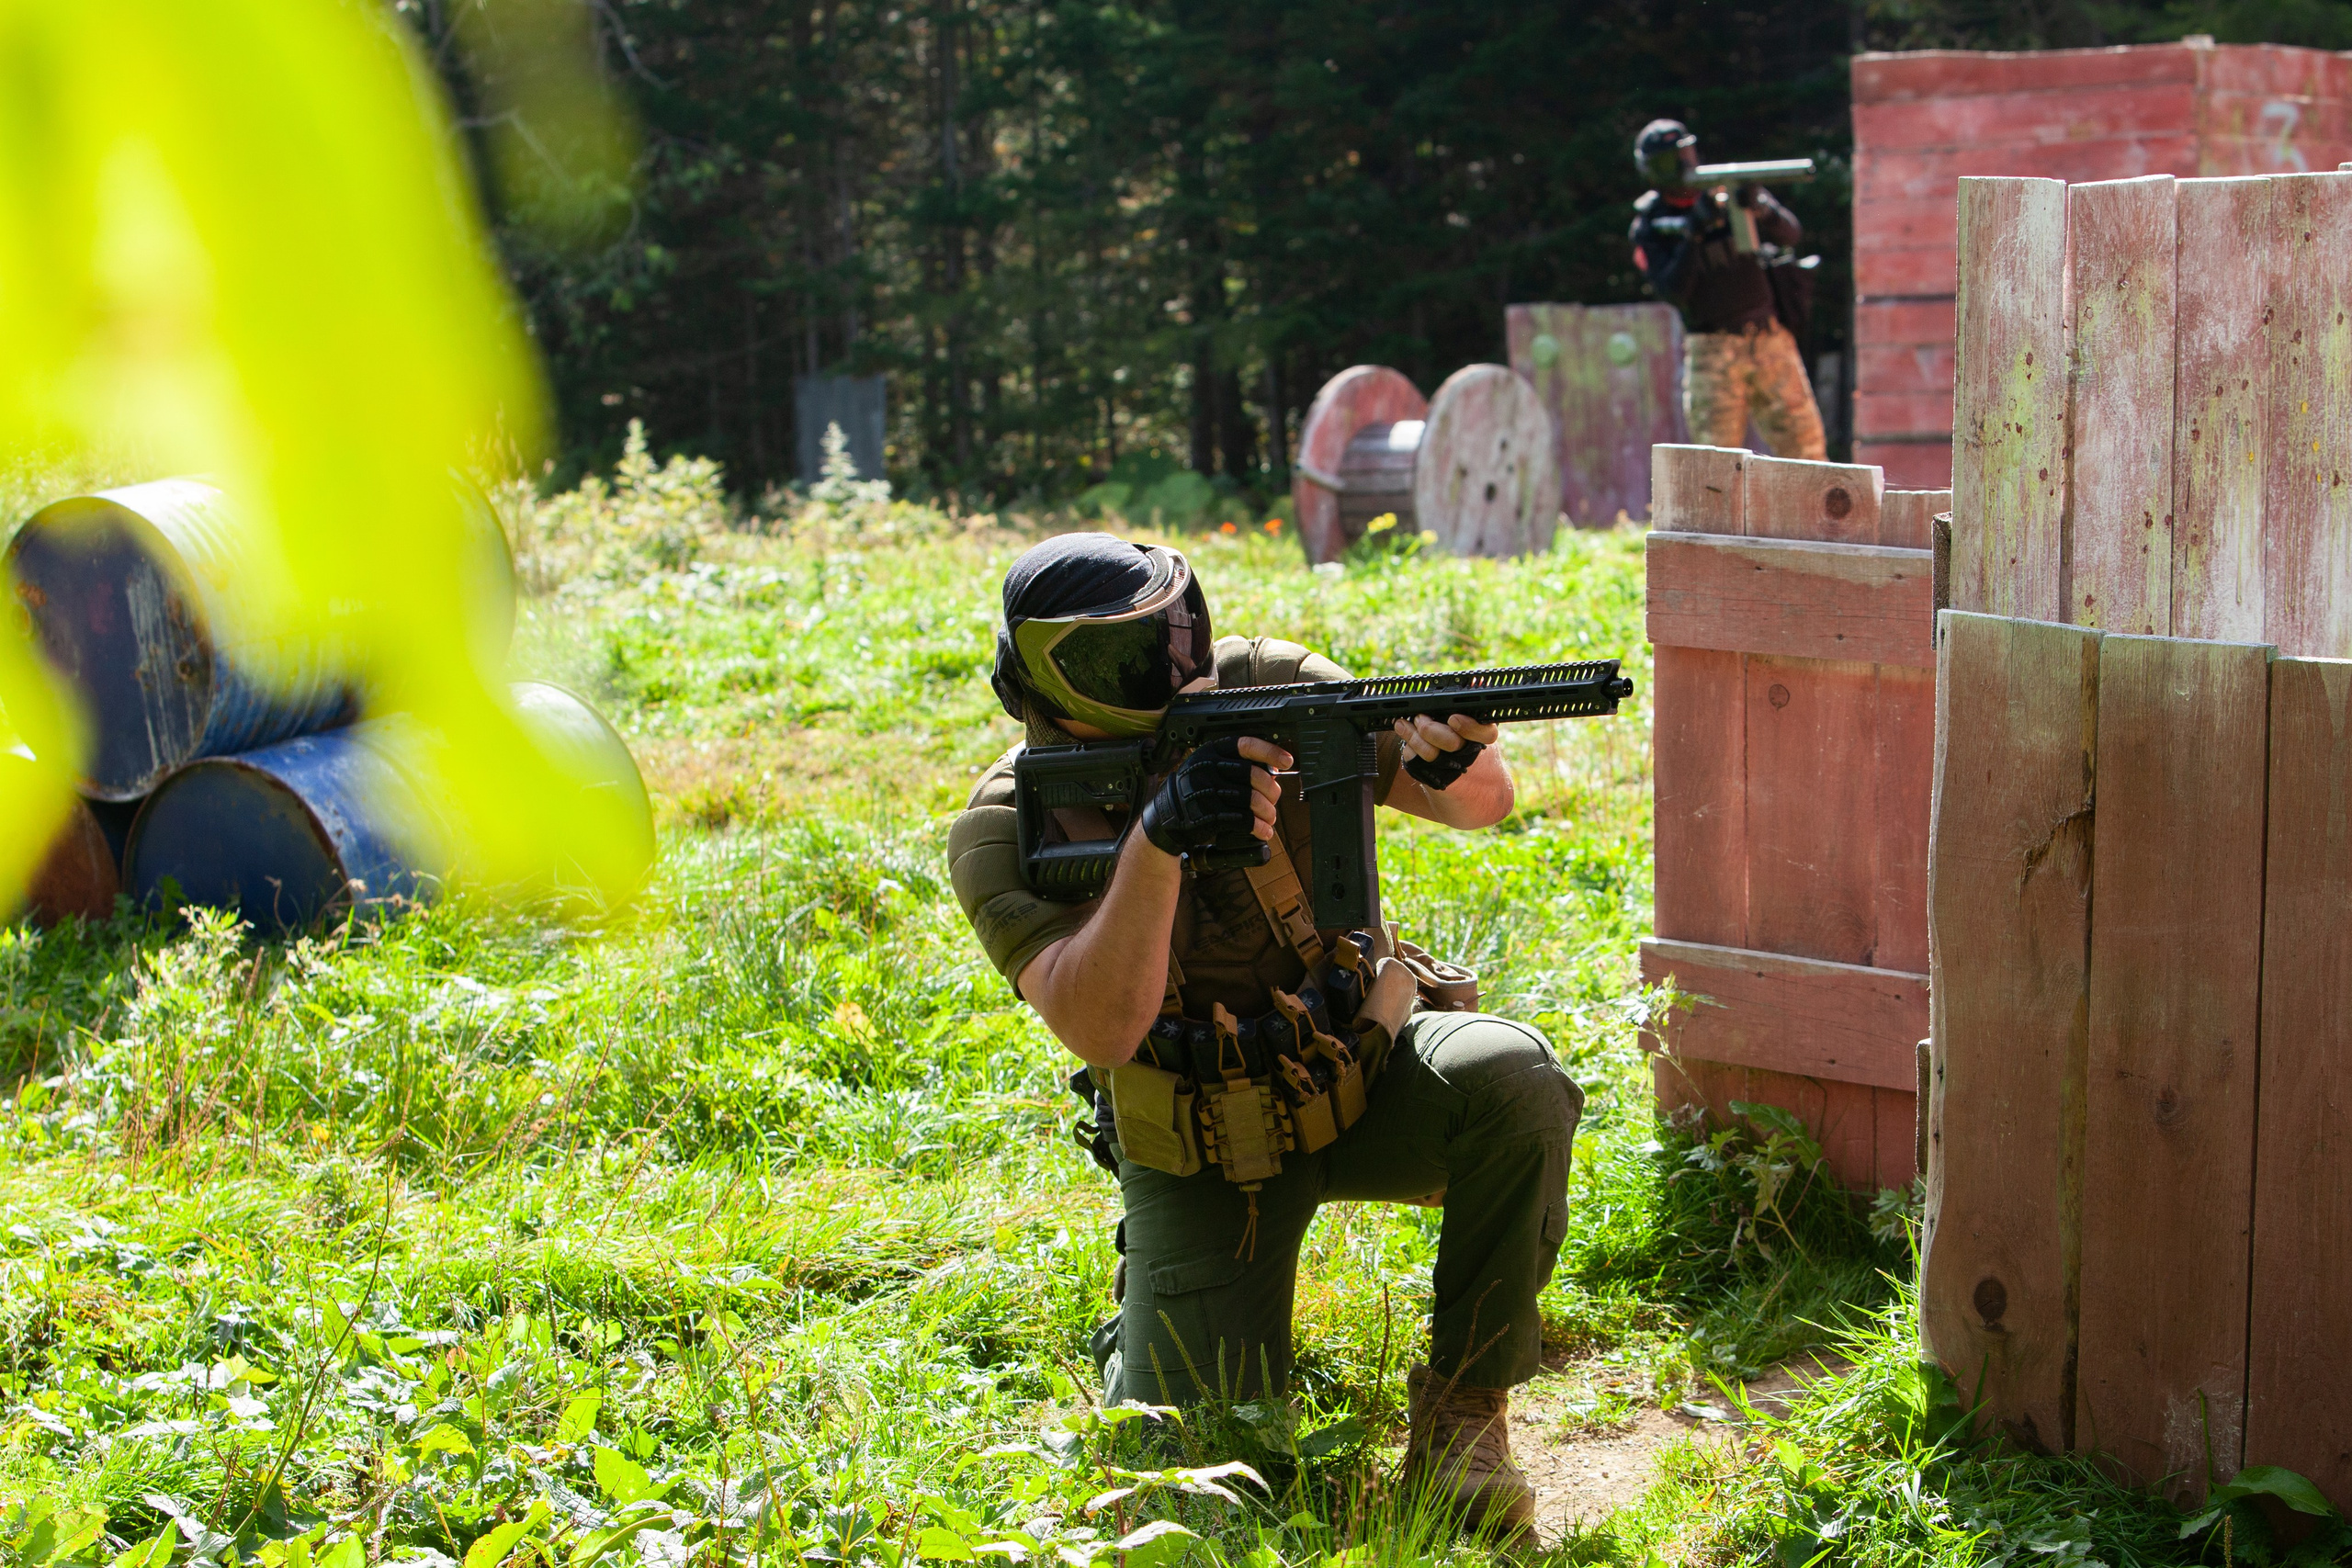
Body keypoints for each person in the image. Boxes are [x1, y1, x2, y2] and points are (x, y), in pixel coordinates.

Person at [946, 533, 1585, 1540]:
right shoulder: (1001, 827)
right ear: (1056, 674)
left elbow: (1479, 805)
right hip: (1201, 1148)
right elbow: (1101, 1025)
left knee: (1514, 1079)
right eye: (1139, 653)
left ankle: (1463, 1414)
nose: (1178, 663)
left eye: (1182, 628)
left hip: (1362, 1068)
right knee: (1202, 1482)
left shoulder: (1277, 689)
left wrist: (1457, 754)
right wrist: (1159, 839)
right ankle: (1141, 1316)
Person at [1629, 118, 1827, 461]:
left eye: (1685, 153)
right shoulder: (1651, 224)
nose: (1683, 165)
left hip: (1769, 339)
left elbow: (1791, 235)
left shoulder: (1725, 194)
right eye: (1670, 161)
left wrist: (1761, 209)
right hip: (1712, 350)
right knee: (1716, 466)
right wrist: (1695, 231)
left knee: (1808, 455)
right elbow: (1673, 290)